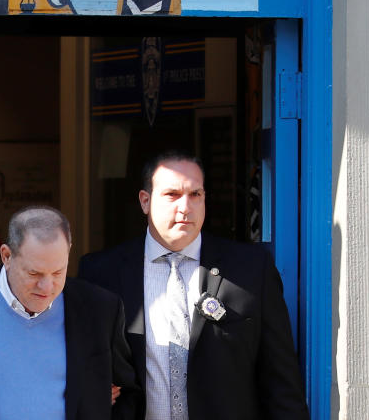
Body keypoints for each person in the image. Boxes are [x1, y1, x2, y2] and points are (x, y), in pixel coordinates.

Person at [78, 151, 310, 420]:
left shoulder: (250, 269)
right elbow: (78, 366)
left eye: (195, 195)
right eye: (172, 195)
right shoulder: (101, 273)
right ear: (145, 201)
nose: (185, 207)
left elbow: (280, 382)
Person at [0, 205, 140, 420]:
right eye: (34, 274)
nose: (47, 287)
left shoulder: (100, 308)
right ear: (7, 256)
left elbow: (126, 394)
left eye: (58, 272)